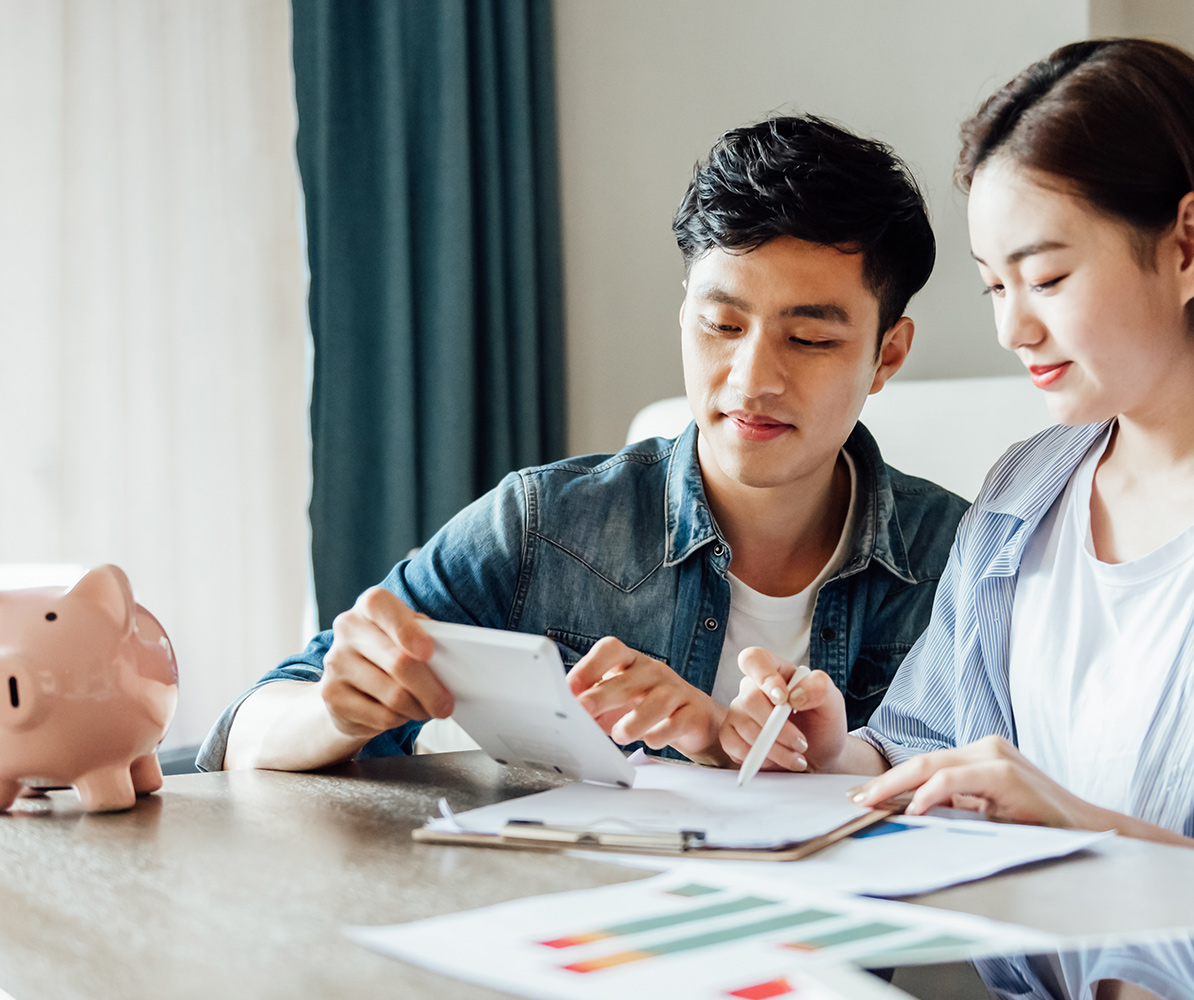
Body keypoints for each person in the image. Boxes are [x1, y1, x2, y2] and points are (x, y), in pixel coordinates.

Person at [721, 40, 1194, 892]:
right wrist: (838, 753)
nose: (1013, 330)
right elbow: (933, 743)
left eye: (1045, 277)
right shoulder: (1020, 497)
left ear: (1189, 245)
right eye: (994, 288)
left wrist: (1088, 834)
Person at [197, 115, 970, 773]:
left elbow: (999, 803)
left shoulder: (966, 561)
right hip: (565, 937)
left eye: (807, 338)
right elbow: (251, 724)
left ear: (888, 355)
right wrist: (345, 710)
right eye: (721, 325)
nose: (750, 377)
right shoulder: (545, 525)